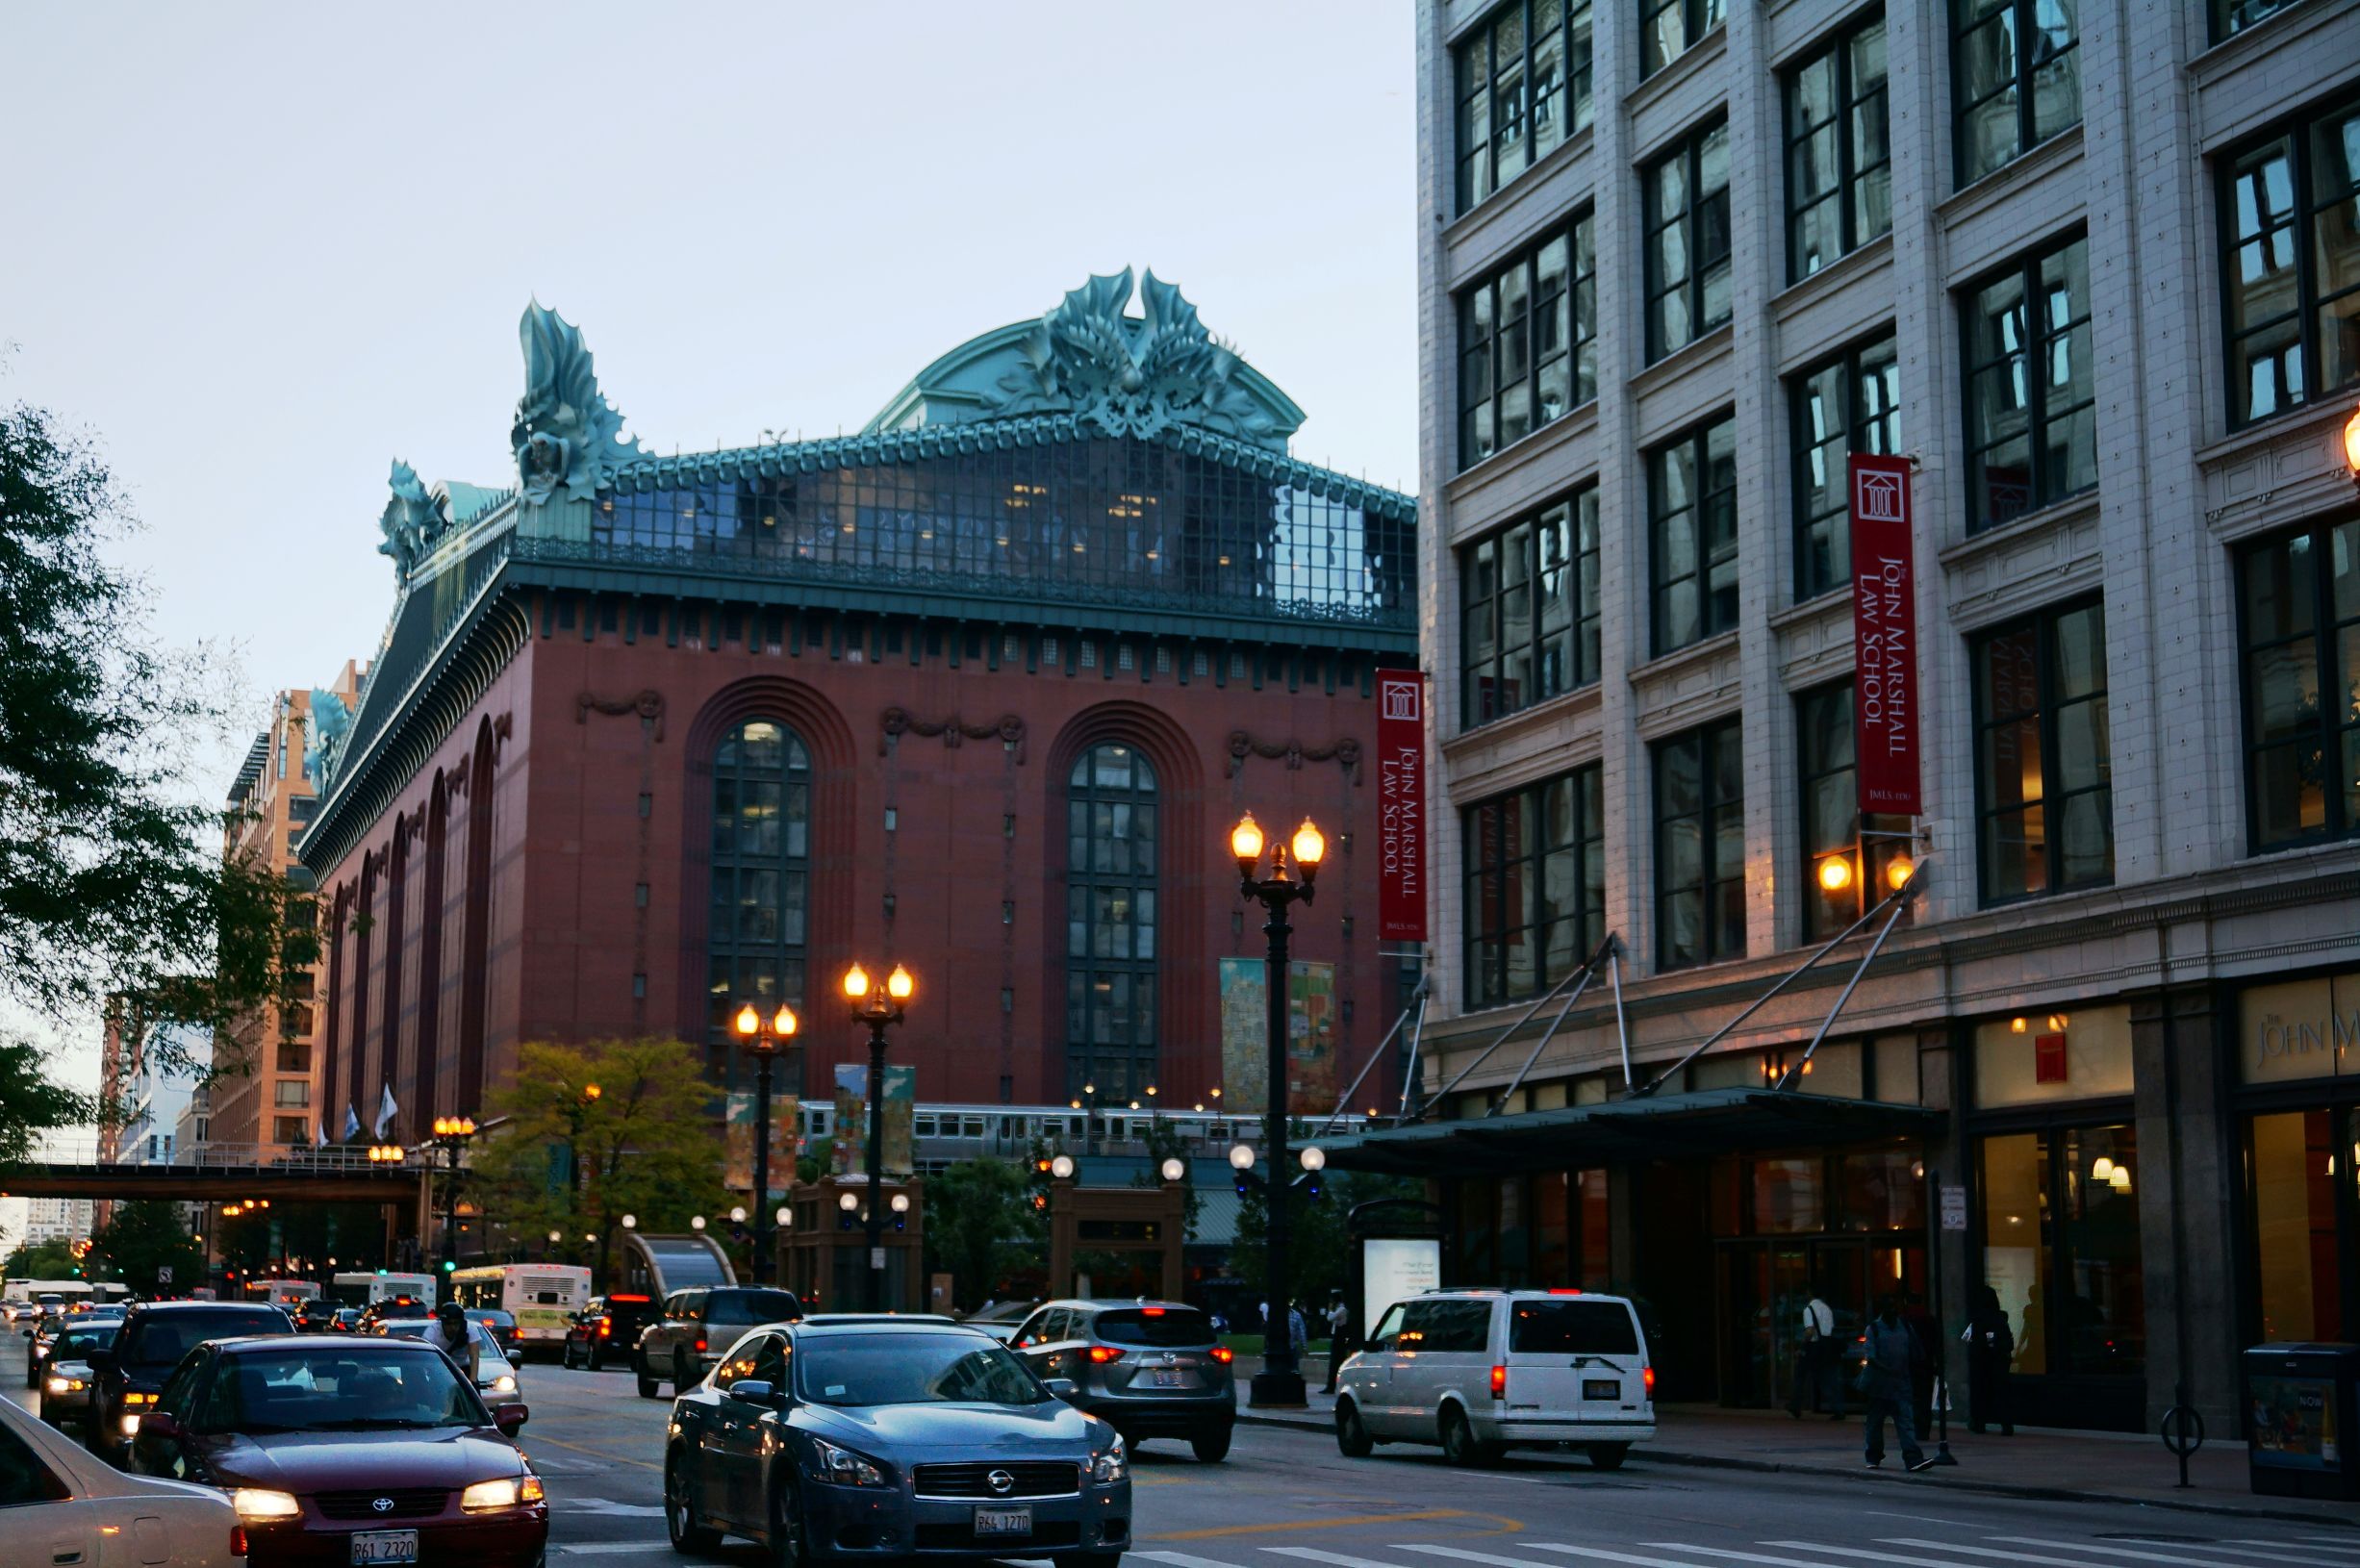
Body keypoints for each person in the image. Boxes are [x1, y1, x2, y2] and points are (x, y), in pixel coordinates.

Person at [1861, 1296, 1931, 1471]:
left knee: (1905, 1422)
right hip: (1880, 1386)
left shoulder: (1905, 1326)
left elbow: (1915, 1352)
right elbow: (1872, 1356)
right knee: (1875, 1423)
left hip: (1900, 1384)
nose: (1892, 1312)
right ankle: (1874, 1455)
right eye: (1888, 1308)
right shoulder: (1874, 1329)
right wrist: (1889, 1369)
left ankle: (1912, 1458)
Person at [1964, 1284, 2015, 1436]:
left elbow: (1968, 1340)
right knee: (2001, 1393)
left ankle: (1980, 1422)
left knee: (1981, 1392)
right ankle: (2006, 1424)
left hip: (1982, 1361)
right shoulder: (2000, 1318)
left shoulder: (1977, 1319)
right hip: (1998, 1361)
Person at [1786, 1289, 1843, 1420]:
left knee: (1800, 1376)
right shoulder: (1827, 1309)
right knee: (1826, 1379)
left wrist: (1802, 1346)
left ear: (1809, 1294)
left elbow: (1810, 1331)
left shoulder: (1809, 1309)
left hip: (1813, 1346)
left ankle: (1795, 1405)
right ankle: (1837, 1408)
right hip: (1826, 1345)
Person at [429, 1300, 481, 1385]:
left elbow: (474, 1356)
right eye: (449, 1324)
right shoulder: (432, 1333)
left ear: (462, 1323)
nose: (453, 1327)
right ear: (442, 1323)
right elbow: (428, 1359)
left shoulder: (470, 1329)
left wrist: (473, 1382)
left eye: (456, 1323)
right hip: (440, 1369)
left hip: (464, 1368)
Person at [1321, 1292, 1352, 1395]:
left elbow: (1330, 1318)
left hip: (1339, 1339)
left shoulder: (1342, 1310)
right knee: (1334, 1363)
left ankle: (1331, 1386)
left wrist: (1329, 1309)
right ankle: (1331, 1386)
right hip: (1337, 1338)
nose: (1331, 1303)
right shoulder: (1340, 1309)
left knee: (1335, 1363)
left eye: (1331, 1301)